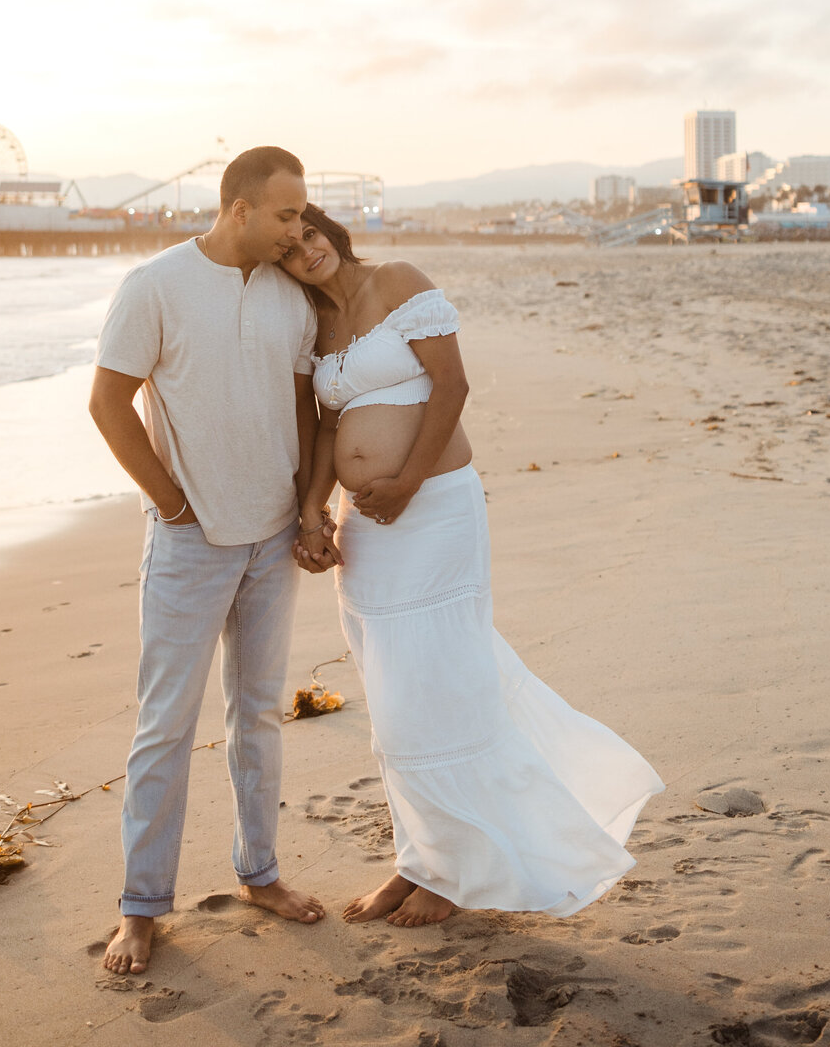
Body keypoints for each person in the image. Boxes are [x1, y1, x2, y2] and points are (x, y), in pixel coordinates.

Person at [281, 204, 664, 928]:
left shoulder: (397, 280)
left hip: (433, 512)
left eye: (314, 234)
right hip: (370, 525)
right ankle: (418, 860)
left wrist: (406, 482)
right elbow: (330, 425)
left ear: (333, 233)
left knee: (439, 688)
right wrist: (313, 509)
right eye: (291, 245)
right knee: (393, 700)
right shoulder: (314, 324)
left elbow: (451, 387)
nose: (307, 251)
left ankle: (454, 873)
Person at [89, 147, 337, 977]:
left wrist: (308, 510)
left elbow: (305, 411)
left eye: (303, 215)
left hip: (271, 541)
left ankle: (259, 872)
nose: (297, 230)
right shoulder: (155, 285)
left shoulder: (288, 297)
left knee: (257, 714)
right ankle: (139, 907)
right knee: (165, 725)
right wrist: (170, 503)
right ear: (237, 208)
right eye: (284, 215)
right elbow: (107, 401)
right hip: (189, 544)